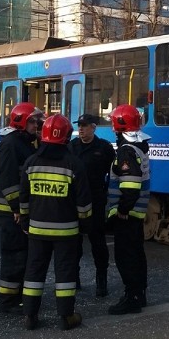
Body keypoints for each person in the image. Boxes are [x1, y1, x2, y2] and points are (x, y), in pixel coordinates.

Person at [19, 114, 92, 331]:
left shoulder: (31, 163)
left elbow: (24, 198)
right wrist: (84, 224)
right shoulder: (74, 164)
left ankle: (30, 317)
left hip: (37, 229)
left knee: (33, 272)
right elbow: (84, 202)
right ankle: (66, 317)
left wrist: (25, 221)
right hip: (66, 231)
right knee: (65, 274)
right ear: (67, 137)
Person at [0, 102, 44, 315]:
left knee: (23, 255)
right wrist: (16, 208)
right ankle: (7, 301)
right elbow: (8, 179)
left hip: (23, 209)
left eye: (38, 121)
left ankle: (19, 297)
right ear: (21, 121)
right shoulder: (11, 143)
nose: (37, 124)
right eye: (33, 121)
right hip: (12, 211)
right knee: (14, 256)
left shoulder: (28, 142)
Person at [106, 104, 152, 315]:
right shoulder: (139, 147)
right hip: (137, 213)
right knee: (136, 254)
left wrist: (122, 209)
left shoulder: (126, 151)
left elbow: (131, 186)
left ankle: (132, 297)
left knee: (126, 257)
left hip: (127, 215)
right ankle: (139, 294)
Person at [68, 113, 116, 297]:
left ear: (94, 127)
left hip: (96, 200)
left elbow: (113, 173)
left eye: (85, 125)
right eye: (79, 125)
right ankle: (75, 278)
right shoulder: (72, 147)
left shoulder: (103, 148)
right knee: (75, 243)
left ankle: (101, 281)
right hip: (75, 201)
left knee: (98, 242)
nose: (81, 129)